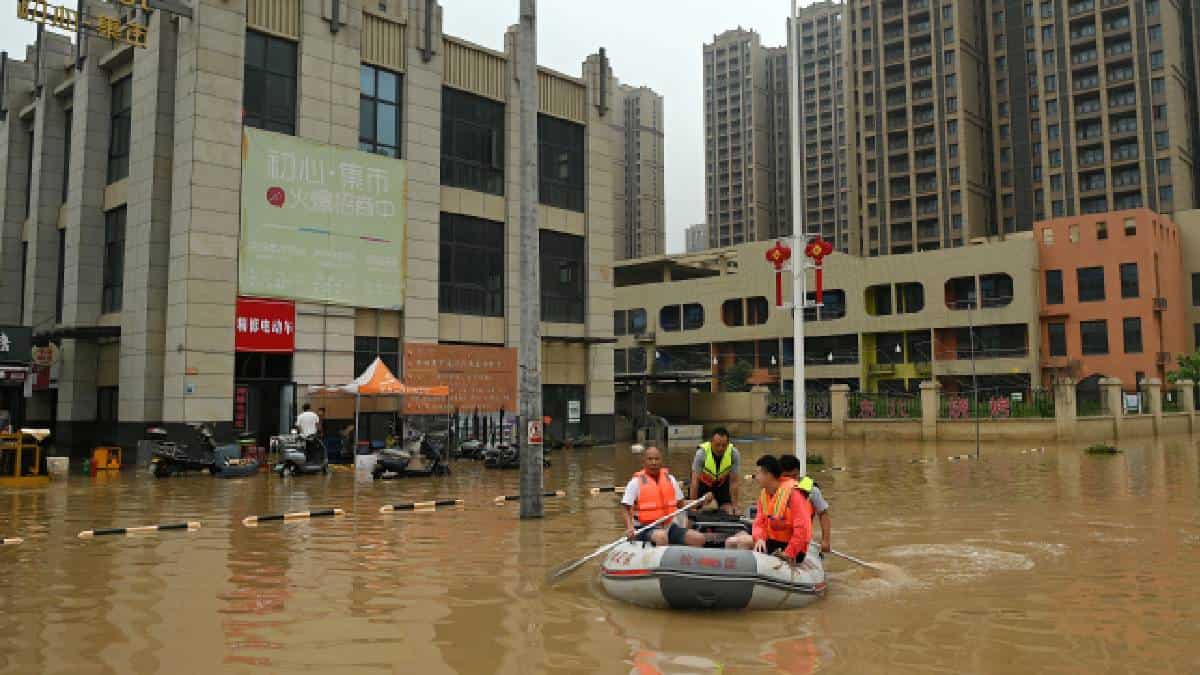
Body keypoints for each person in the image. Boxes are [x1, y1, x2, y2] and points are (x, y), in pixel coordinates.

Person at [725, 455, 813, 562]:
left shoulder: (793, 493)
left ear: (768, 475)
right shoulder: (764, 494)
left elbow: (802, 528)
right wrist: (760, 538)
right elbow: (759, 523)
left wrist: (789, 553)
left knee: (739, 542)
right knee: (731, 542)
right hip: (772, 542)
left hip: (794, 549)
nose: (756, 478)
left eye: (758, 474)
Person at [621, 446, 710, 547]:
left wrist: (701, 501)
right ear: (644, 462)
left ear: (661, 461)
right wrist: (629, 527)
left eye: (656, 459)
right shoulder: (635, 482)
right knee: (661, 537)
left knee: (699, 539)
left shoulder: (670, 479)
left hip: (668, 526)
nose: (654, 462)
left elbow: (681, 505)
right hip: (644, 528)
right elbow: (625, 508)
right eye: (650, 459)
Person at [778, 454, 832, 554]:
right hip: (778, 536)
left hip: (800, 536)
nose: (791, 480)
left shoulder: (811, 489)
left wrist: (826, 540)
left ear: (798, 473)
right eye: (786, 476)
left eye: (794, 476)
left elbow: (823, 514)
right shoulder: (773, 487)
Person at [690, 427, 741, 514]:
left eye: (724, 445)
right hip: (704, 488)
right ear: (711, 443)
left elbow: (734, 483)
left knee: (730, 511)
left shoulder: (734, 454)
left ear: (728, 444)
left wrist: (735, 506)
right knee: (713, 506)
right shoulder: (701, 454)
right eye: (717, 445)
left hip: (722, 488)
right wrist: (693, 507)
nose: (720, 448)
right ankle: (702, 510)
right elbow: (695, 482)